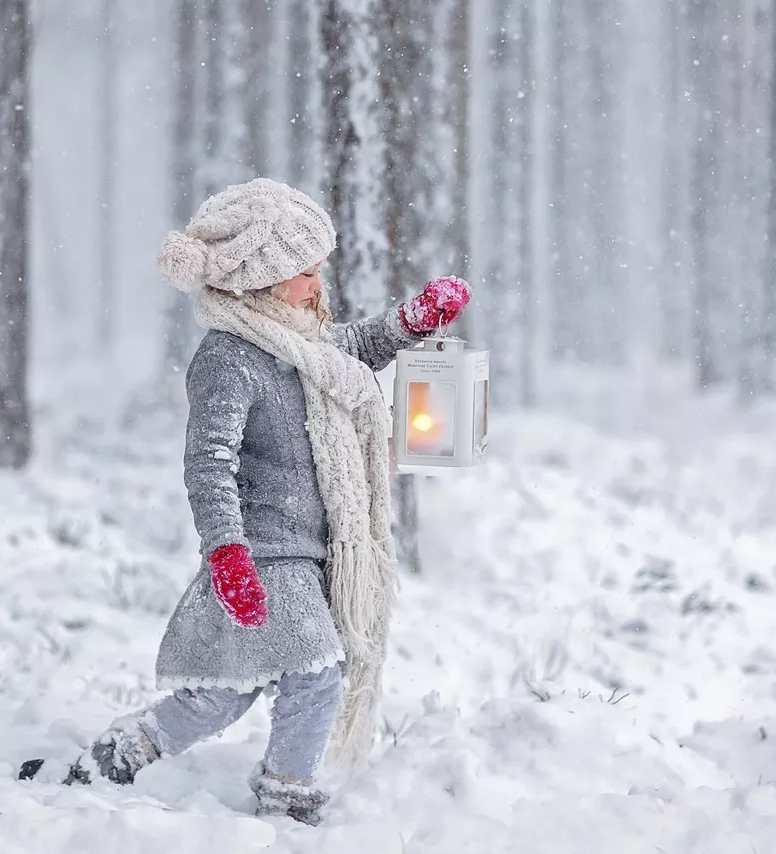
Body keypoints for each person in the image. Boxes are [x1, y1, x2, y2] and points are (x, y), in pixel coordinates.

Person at [23, 178, 470, 826]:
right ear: (264, 281)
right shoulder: (228, 359)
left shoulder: (304, 344)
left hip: (309, 551)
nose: (318, 285)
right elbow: (209, 463)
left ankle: (122, 753)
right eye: (305, 272)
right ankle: (288, 799)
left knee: (224, 693)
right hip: (264, 554)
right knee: (318, 667)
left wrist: (414, 320)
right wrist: (228, 553)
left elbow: (361, 349)